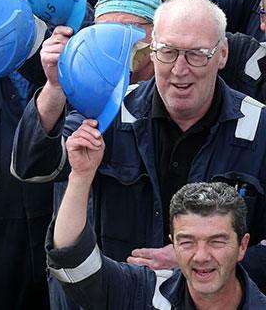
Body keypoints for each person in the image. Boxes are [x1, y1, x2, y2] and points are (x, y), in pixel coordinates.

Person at [13, 0, 266, 296]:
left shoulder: (258, 129)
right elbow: (32, 165)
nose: (179, 69)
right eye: (168, 52)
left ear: (222, 54)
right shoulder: (110, 113)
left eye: (197, 54)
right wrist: (55, 87)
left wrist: (205, 261)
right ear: (151, 50)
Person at [48, 126, 266, 309]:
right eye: (187, 242)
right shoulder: (146, 293)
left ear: (243, 246)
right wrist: (81, 175)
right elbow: (73, 261)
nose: (201, 256)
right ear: (173, 244)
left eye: (216, 241)